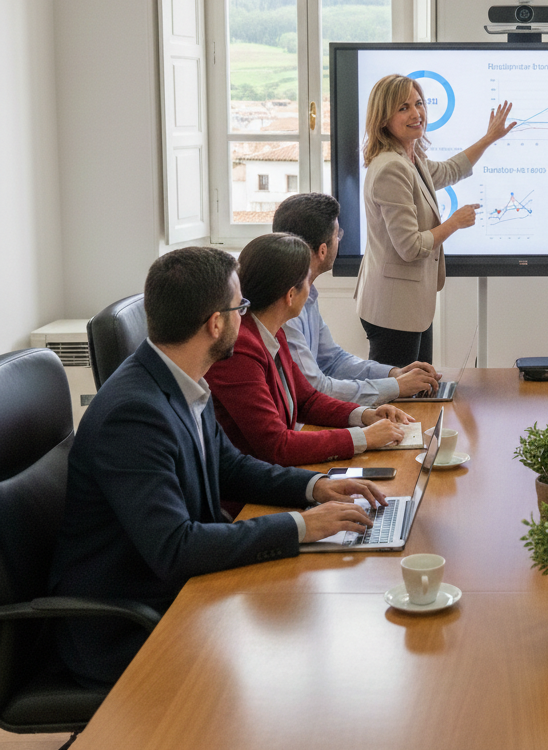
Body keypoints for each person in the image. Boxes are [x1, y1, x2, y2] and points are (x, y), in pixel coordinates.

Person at [49, 247, 390, 688]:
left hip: (181, 591)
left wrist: (317, 488)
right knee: (307, 657)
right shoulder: (132, 415)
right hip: (128, 624)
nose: (244, 317)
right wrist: (301, 527)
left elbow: (229, 466)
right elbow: (175, 548)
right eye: (239, 307)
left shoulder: (181, 378)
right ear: (215, 323)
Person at [207, 233, 412, 466]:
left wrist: (365, 415)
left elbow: (308, 400)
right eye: (307, 280)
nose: (311, 288)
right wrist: (363, 437)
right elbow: (277, 446)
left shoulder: (272, 331)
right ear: (290, 295)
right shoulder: (241, 350)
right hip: (251, 493)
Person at [356, 73, 515, 365]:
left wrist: (489, 138)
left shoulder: (410, 158)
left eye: (419, 103)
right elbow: (410, 246)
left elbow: (451, 170)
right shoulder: (392, 167)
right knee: (399, 401)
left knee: (419, 394)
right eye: (403, 108)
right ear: (383, 119)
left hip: (409, 306)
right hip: (394, 310)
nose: (417, 113)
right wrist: (454, 223)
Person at [273, 193, 440, 404]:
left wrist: (393, 374)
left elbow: (333, 361)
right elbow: (314, 388)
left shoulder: (306, 295)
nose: (339, 240)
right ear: (323, 250)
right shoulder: (284, 307)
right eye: (337, 235)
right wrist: (395, 387)